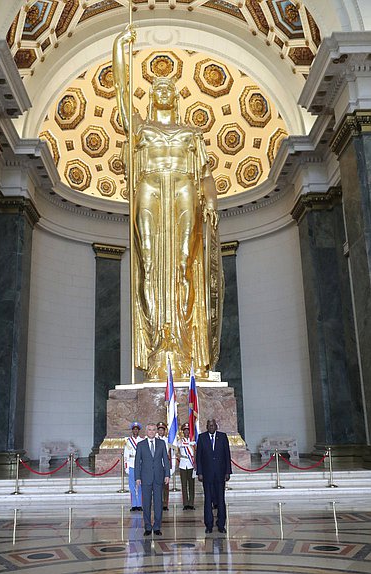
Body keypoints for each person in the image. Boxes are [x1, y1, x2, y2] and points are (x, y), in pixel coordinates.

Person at [113, 27, 224, 381]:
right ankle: (159, 338)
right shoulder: (140, 130)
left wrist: (212, 200)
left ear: (175, 97)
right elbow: (120, 91)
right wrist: (119, 48)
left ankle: (181, 342)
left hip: (182, 188)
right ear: (151, 96)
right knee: (148, 264)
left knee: (181, 265)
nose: (163, 91)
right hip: (149, 188)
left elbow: (205, 175)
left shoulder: (192, 134)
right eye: (157, 87)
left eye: (168, 88)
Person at [196, 418, 232, 534]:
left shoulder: (222, 437)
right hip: (207, 475)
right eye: (209, 425)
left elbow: (227, 455)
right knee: (208, 500)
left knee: (221, 500)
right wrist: (199, 472)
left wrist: (228, 472)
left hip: (220, 474)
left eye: (213, 425)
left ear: (216, 426)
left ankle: (221, 524)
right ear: (207, 427)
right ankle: (209, 525)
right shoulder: (202, 438)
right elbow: (199, 457)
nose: (211, 427)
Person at [135, 422, 170, 536]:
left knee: (158, 503)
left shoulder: (161, 443)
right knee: (146, 503)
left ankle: (157, 526)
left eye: (154, 430)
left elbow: (165, 459)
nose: (152, 432)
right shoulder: (141, 445)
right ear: (146, 431)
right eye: (149, 430)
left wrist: (167, 474)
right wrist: (137, 477)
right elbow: (137, 463)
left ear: (156, 431)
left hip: (159, 477)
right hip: (145, 478)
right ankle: (148, 527)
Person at [123, 422, 144, 511]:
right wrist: (126, 467)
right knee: (132, 486)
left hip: (140, 466)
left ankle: (139, 504)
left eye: (137, 429)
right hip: (131, 465)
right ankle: (133, 505)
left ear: (139, 431)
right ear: (132, 430)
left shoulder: (142, 441)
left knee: (140, 486)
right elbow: (126, 455)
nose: (135, 431)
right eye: (134, 429)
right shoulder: (128, 442)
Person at [177, 422, 196, 510]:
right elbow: (177, 450)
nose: (186, 432)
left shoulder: (194, 441)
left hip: (191, 464)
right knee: (184, 484)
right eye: (185, 431)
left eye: (188, 431)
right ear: (183, 432)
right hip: (183, 464)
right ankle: (185, 503)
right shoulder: (180, 441)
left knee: (191, 484)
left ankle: (191, 503)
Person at [156, 422, 170, 511]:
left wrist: (170, 468)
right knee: (157, 485)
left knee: (166, 486)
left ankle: (165, 503)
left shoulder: (168, 440)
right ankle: (158, 502)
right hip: (157, 465)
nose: (161, 431)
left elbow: (170, 454)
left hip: (165, 465)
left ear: (164, 431)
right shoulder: (154, 439)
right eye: (159, 430)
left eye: (162, 430)